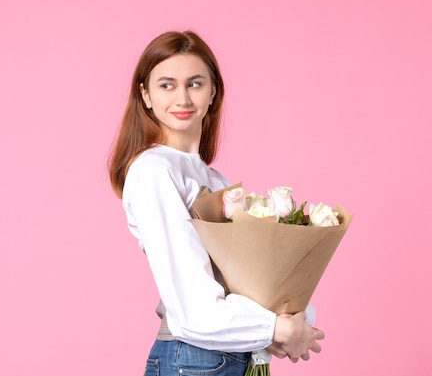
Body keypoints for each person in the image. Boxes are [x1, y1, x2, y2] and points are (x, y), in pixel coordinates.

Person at [108, 30, 324, 376]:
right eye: (167, 85)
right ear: (145, 95)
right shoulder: (153, 171)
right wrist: (279, 329)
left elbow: (244, 283)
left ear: (213, 93)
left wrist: (297, 316)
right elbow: (193, 310)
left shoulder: (215, 180)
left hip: (232, 358)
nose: (182, 98)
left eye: (194, 84)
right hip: (193, 360)